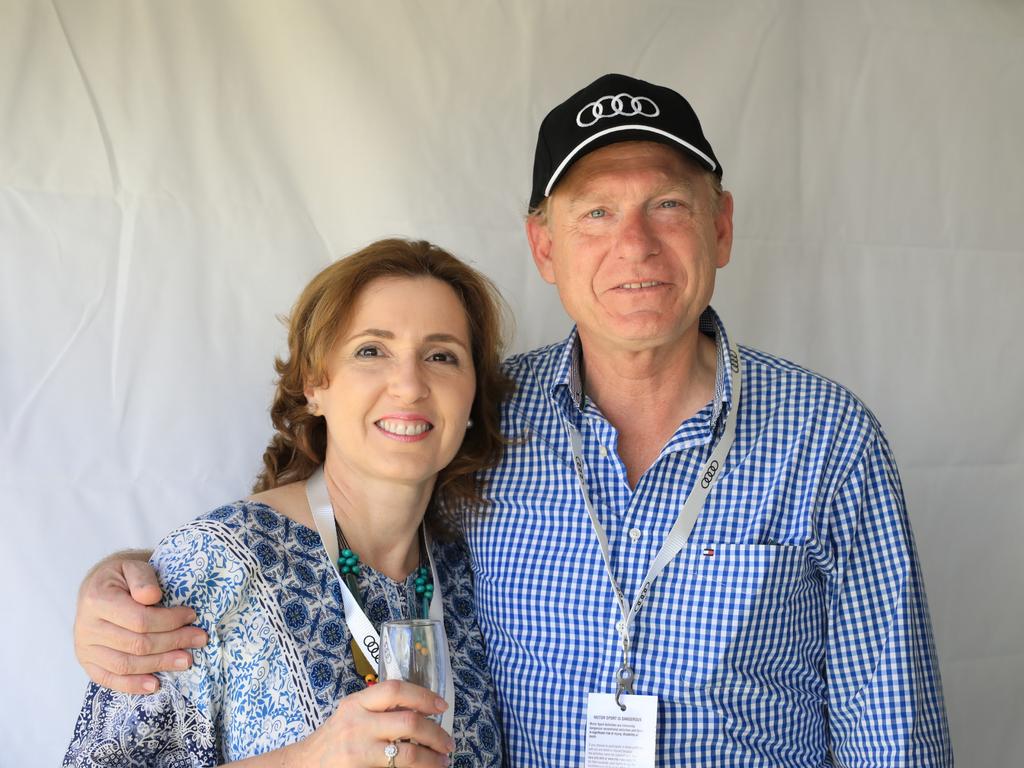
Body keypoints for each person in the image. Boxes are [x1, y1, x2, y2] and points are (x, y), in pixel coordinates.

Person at [72, 74, 953, 766]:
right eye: (596, 213)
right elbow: (313, 520)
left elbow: (895, 733)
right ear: (544, 247)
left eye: (669, 205)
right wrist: (128, 579)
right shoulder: (497, 423)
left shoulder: (830, 439)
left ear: (720, 227)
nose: (634, 246)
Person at [65, 239, 510, 767]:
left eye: (442, 356)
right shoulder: (217, 564)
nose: (410, 385)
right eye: (371, 350)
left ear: (471, 400)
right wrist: (309, 758)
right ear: (313, 385)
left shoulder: (472, 574)